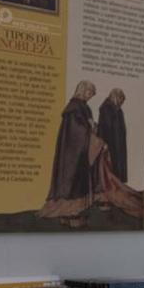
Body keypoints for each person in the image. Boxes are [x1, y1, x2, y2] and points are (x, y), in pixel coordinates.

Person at [39, 80, 96, 225]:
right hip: (72, 154)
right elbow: (76, 131)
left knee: (78, 183)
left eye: (92, 94)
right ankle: (70, 216)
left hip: (80, 152)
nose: (90, 96)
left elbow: (87, 126)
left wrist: (92, 127)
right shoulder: (74, 108)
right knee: (72, 183)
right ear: (82, 90)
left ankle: (71, 216)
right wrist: (89, 128)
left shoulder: (83, 107)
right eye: (89, 93)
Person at [98, 88, 128, 182]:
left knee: (118, 164)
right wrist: (104, 142)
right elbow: (105, 127)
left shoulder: (117, 110)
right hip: (110, 142)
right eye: (120, 100)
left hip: (118, 142)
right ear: (115, 97)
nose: (121, 103)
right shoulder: (106, 108)